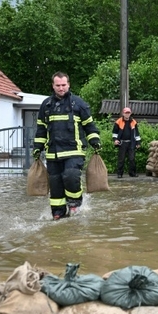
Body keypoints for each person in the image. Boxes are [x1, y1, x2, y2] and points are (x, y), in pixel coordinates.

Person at [33, 72, 101, 220]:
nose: (61, 88)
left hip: (74, 151)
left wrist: (95, 141)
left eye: (64, 85)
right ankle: (58, 213)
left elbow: (89, 126)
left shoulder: (79, 104)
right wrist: (37, 146)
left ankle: (75, 204)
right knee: (56, 185)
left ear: (68, 84)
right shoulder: (46, 105)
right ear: (53, 86)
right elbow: (41, 130)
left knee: (71, 176)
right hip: (53, 154)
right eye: (58, 85)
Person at [112, 107, 141, 178]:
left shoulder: (134, 122)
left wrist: (138, 143)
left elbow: (137, 133)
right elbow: (114, 133)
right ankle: (119, 174)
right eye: (126, 113)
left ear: (130, 113)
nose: (127, 114)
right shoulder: (118, 121)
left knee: (132, 158)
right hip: (122, 143)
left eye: (128, 113)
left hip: (131, 143)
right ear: (123, 113)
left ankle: (132, 173)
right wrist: (115, 140)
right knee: (121, 159)